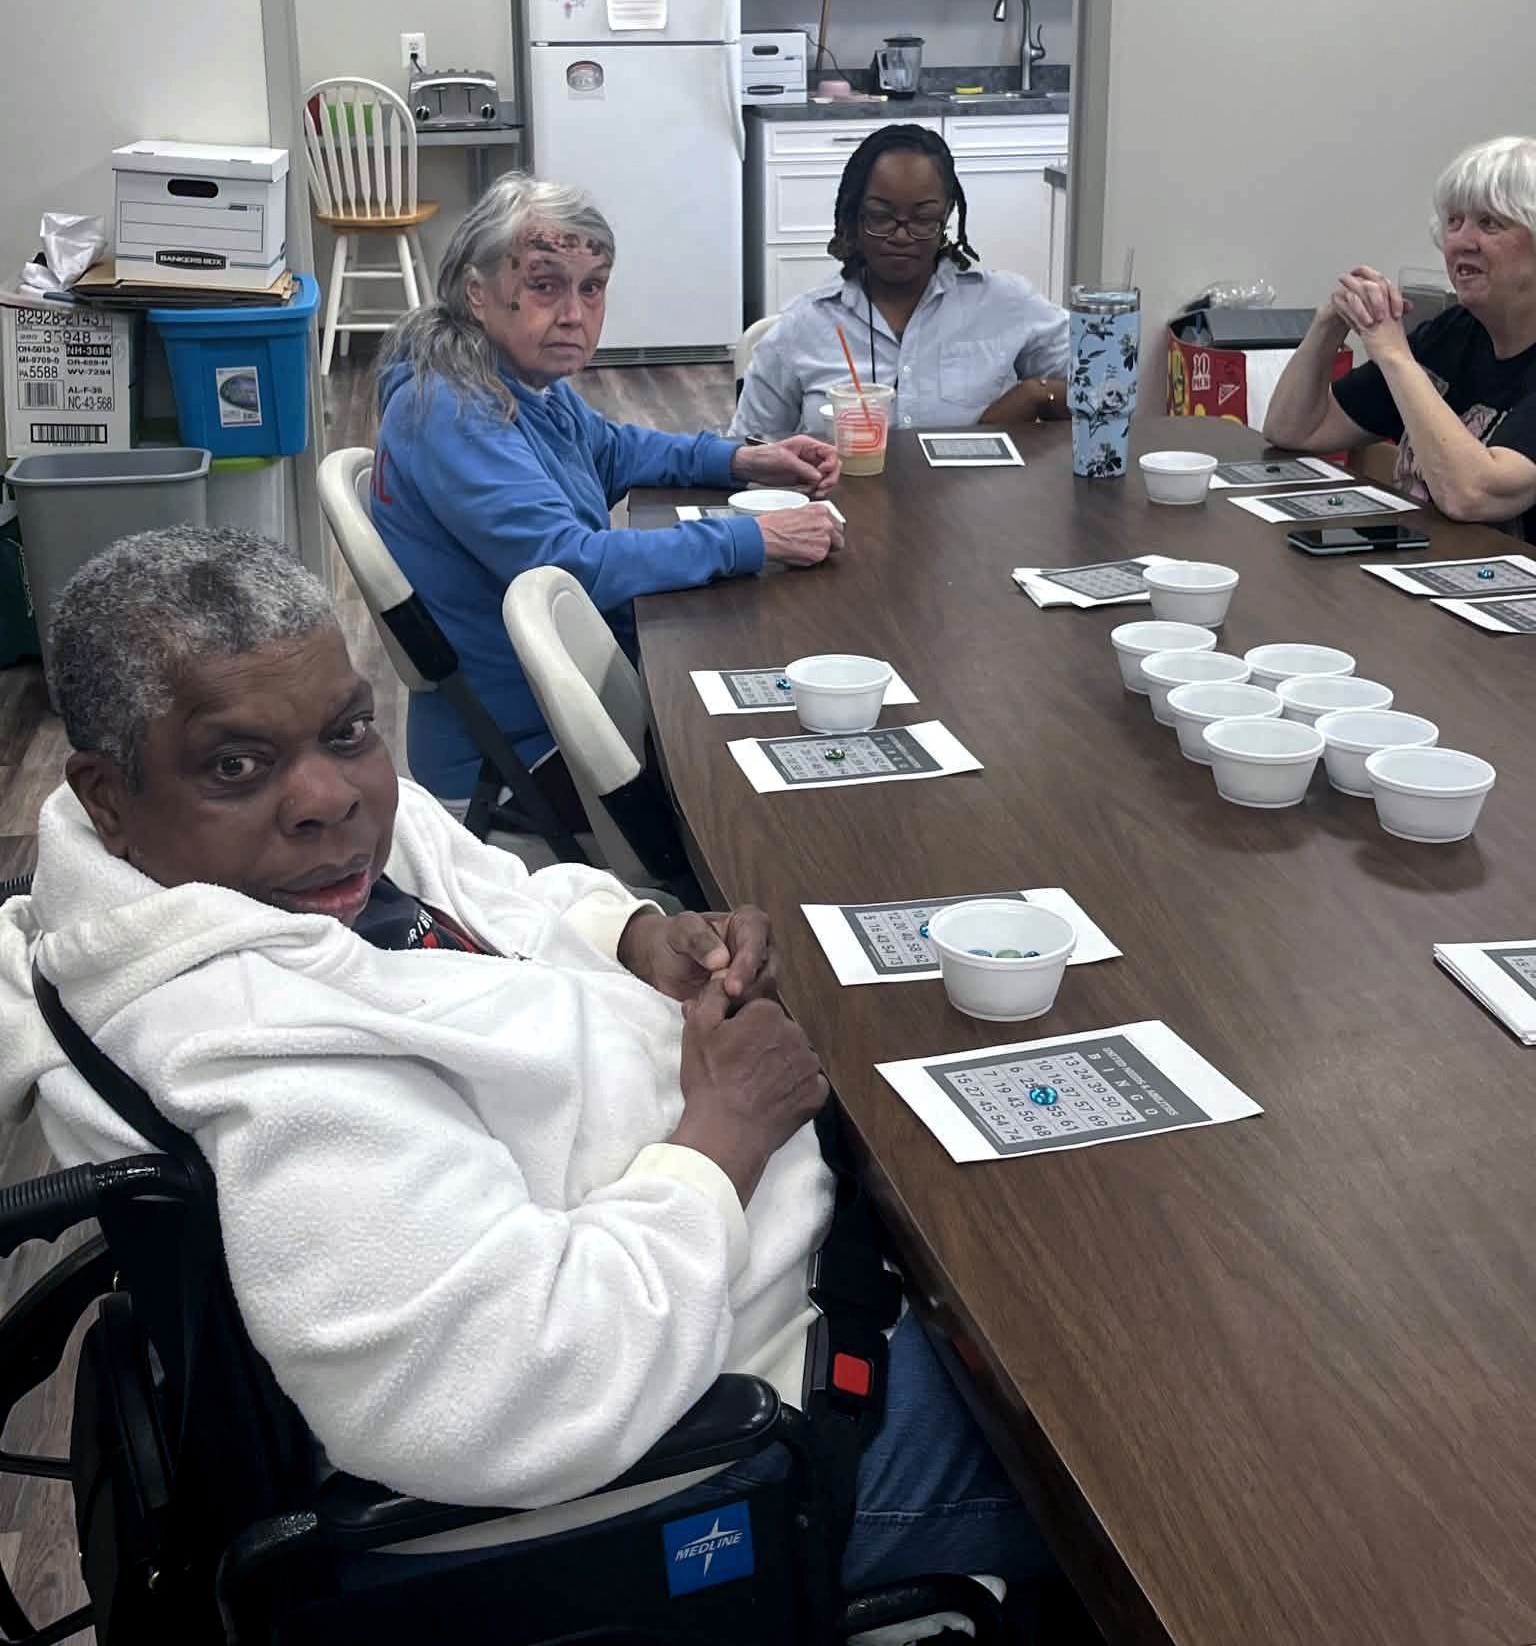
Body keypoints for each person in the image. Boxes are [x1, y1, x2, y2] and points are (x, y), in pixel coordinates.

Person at [0, 527, 1058, 1610]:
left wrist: (633, 935)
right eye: (235, 764)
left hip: (765, 1275)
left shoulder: (276, 862)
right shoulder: (263, 1061)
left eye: (347, 729)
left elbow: (495, 893)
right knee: (1106, 1452)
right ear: (108, 796)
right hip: (723, 1435)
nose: (329, 796)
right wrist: (726, 1137)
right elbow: (506, 1396)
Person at [372, 173, 844, 800]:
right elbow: (569, 564)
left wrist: (742, 460)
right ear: (476, 292)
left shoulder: (509, 377)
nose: (574, 315)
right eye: (544, 286)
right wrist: (752, 539)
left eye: (591, 288)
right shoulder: (451, 409)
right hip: (523, 752)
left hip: (567, 701)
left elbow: (610, 449)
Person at [1265, 135, 1536, 538]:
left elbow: (1473, 496)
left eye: (1490, 223)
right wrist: (1329, 324)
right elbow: (1294, 430)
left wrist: (1393, 354)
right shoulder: (1453, 332)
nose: (1461, 241)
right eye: (1453, 222)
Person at [732, 125, 1071, 441]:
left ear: (946, 216)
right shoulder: (804, 326)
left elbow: (1099, 386)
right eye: (881, 217)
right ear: (853, 215)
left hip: (981, 489)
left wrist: (1037, 394)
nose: (901, 236)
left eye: (923, 219)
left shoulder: (1005, 303)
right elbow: (747, 448)